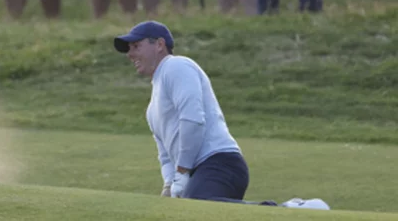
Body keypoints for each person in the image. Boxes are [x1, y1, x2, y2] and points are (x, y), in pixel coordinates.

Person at [113, 20, 330, 210]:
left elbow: (193, 121)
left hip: (220, 163)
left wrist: (182, 172)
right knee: (184, 211)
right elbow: (165, 154)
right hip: (196, 172)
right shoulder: (152, 107)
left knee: (197, 208)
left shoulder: (176, 66)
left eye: (136, 46)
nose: (130, 54)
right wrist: (170, 187)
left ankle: (289, 211)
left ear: (159, 45)